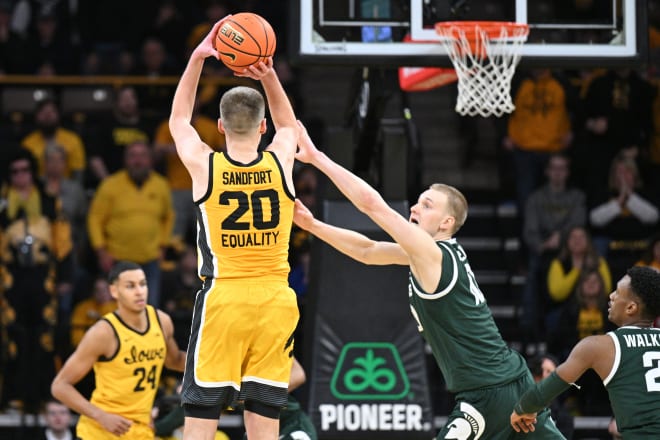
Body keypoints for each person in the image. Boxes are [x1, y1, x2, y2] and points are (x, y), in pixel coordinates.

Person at [292, 123, 564, 439]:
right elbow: (368, 250)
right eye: (418, 201)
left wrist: (317, 157)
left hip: (491, 392)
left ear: (447, 223)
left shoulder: (433, 254)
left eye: (427, 205)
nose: (415, 207)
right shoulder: (429, 255)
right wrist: (313, 226)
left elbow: (372, 205)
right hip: (504, 385)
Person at [168, 17, 300, 440]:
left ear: (221, 126)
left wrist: (198, 57)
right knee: (264, 423)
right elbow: (291, 126)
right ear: (263, 127)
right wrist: (268, 73)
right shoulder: (280, 160)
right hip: (276, 302)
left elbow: (179, 120)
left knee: (202, 420)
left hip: (225, 299)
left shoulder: (206, 165)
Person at [511, 266, 660, 437]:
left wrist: (522, 409)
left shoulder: (599, 346)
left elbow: (549, 387)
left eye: (618, 292)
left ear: (631, 308)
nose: (611, 295)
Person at [51, 260, 186, 439]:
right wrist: (101, 416)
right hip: (101, 431)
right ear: (114, 291)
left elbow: (175, 361)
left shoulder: (162, 322)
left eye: (142, 284)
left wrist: (216, 365)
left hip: (141, 430)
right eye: (130, 286)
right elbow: (60, 386)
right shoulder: (103, 332)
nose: (139, 291)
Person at [0, 149, 74, 414]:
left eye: (25, 170)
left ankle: (43, 394)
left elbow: (63, 240)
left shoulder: (47, 201)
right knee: (13, 334)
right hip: (11, 279)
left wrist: (65, 276)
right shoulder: (3, 204)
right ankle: (12, 394)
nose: (21, 177)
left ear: (32, 172)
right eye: (15, 172)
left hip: (43, 278)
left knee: (44, 334)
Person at [87, 140, 174, 307]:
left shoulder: (161, 185)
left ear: (151, 160)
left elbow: (168, 216)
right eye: (132, 156)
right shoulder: (110, 185)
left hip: (150, 261)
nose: (138, 161)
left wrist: (163, 245)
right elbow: (94, 218)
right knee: (118, 312)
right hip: (118, 260)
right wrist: (101, 251)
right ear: (125, 160)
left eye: (142, 156)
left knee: (148, 310)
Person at [527, 354, 574, 439]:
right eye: (539, 371)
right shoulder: (515, 408)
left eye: (549, 372)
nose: (544, 376)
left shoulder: (563, 418)